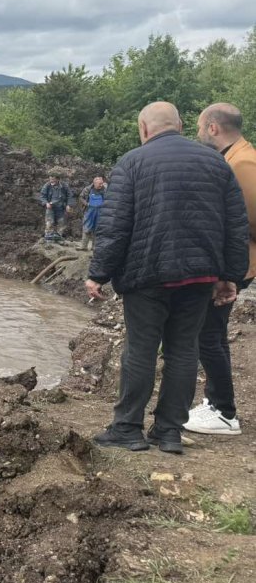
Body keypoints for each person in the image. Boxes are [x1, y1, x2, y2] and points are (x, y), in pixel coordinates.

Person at [86, 102, 248, 454]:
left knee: (141, 351)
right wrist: (229, 277)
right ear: (180, 125)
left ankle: (127, 429)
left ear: (144, 129)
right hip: (200, 275)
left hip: (148, 274)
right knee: (184, 351)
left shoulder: (132, 161)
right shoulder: (216, 163)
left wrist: (98, 273)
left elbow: (114, 226)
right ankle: (169, 432)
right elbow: (235, 226)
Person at [185, 103, 256, 436]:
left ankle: (224, 412)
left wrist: (227, 270)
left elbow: (246, 221)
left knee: (209, 335)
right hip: (230, 261)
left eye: (200, 127)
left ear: (213, 127)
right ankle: (215, 402)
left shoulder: (243, 163)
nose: (199, 134)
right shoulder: (233, 157)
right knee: (210, 334)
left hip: (235, 265)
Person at [39, 172, 73, 242]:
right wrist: (46, 203)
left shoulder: (64, 186)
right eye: (50, 179)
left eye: (53, 179)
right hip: (50, 207)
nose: (51, 181)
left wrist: (68, 205)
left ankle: (59, 237)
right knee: (49, 222)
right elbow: (42, 196)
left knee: (61, 222)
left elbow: (70, 195)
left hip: (61, 207)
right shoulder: (47, 185)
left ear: (58, 179)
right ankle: (48, 238)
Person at [78, 175, 107, 251]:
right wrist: (86, 204)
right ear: (94, 183)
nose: (101, 185)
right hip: (89, 212)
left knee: (97, 230)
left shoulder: (104, 190)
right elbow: (81, 197)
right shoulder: (87, 189)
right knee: (86, 229)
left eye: (101, 183)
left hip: (100, 212)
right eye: (99, 184)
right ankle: (83, 247)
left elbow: (108, 199)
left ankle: (94, 247)